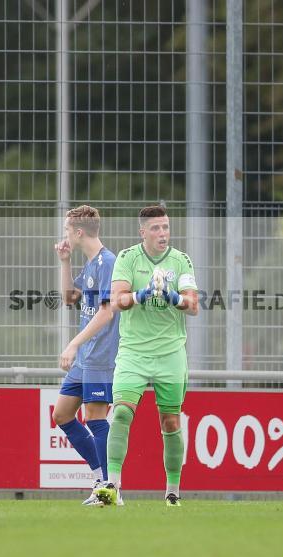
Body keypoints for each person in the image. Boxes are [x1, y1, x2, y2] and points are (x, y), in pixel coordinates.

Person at [95, 205, 199, 507]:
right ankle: (112, 485)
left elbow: (193, 305)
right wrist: (141, 296)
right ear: (143, 232)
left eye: (165, 227)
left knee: (170, 421)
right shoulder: (128, 258)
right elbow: (117, 300)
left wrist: (173, 297)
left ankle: (172, 491)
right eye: (156, 228)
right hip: (134, 352)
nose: (162, 233)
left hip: (170, 353)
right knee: (123, 412)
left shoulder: (181, 261)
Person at [53, 205, 120, 506]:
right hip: (85, 358)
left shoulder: (108, 262)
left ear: (79, 232)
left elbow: (106, 313)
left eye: (68, 229)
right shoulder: (91, 263)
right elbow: (70, 298)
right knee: (62, 414)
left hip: (101, 355)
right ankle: (99, 479)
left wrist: (73, 343)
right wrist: (65, 262)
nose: (66, 234)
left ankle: (111, 489)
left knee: (94, 418)